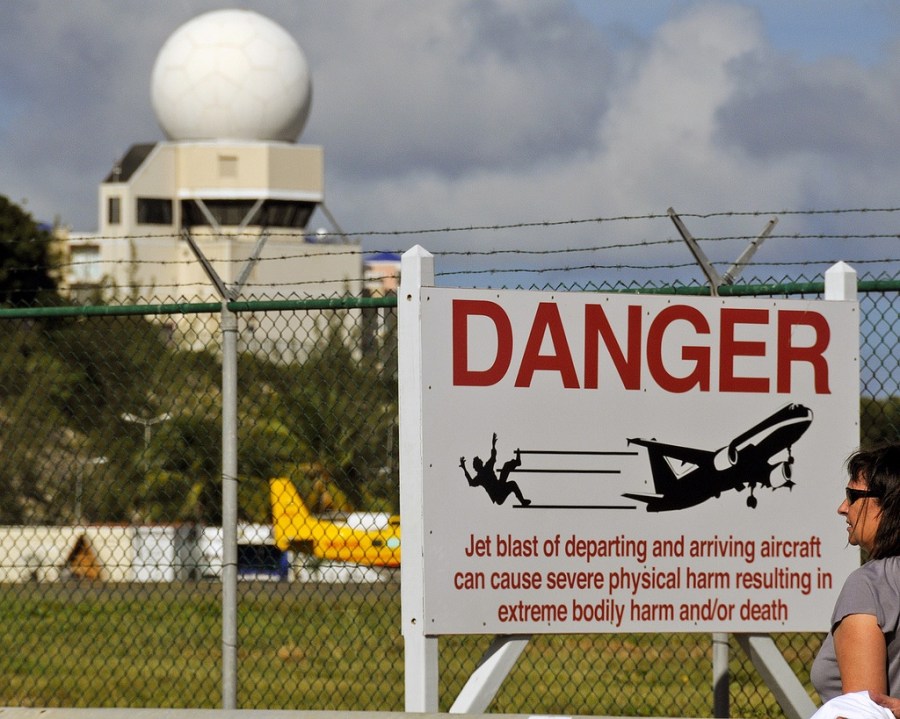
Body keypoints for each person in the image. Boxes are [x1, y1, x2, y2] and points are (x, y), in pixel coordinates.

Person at [810, 444, 900, 702]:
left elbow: (865, 710)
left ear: (888, 503)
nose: (842, 507)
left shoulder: (870, 585)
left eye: (852, 495)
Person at [460, 432, 531, 507]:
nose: (481, 460)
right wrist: (464, 468)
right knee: (512, 483)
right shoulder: (480, 477)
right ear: (478, 465)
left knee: (506, 466)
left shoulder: (487, 467)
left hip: (500, 486)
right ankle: (523, 501)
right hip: (498, 496)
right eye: (479, 461)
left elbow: (493, 456)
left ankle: (517, 462)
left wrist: (493, 445)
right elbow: (471, 482)